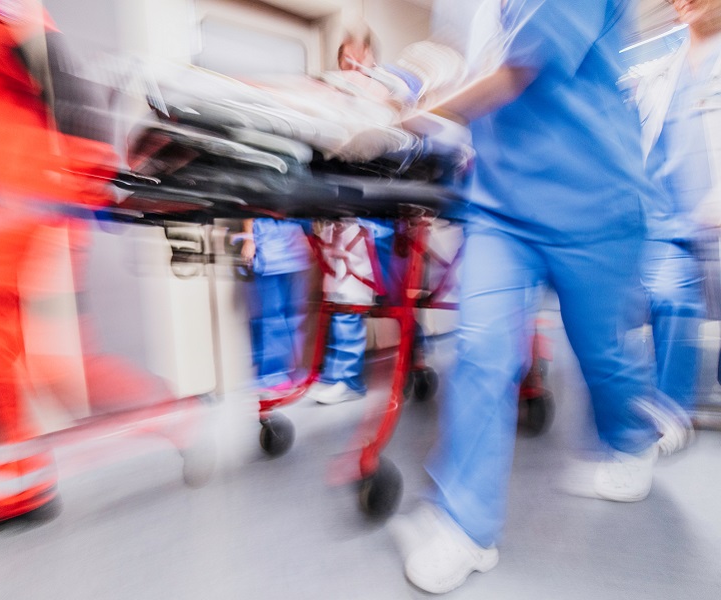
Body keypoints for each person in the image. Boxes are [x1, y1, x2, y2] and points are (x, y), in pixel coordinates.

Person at [391, 0, 662, 594]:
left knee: (601, 355)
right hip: (501, 205)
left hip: (594, 202)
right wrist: (400, 81)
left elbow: (517, 70)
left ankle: (632, 439)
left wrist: (407, 119)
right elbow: (454, 58)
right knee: (482, 347)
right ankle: (466, 526)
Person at [0, 0, 175, 532]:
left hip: (26, 203)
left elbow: (53, 60)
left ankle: (166, 414)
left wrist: (87, 168)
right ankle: (20, 483)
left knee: (58, 367)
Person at [633, 0, 721, 454]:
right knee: (670, 298)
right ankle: (670, 410)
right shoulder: (658, 69)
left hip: (714, 213)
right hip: (668, 218)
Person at [304, 31, 396, 405]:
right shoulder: (330, 98)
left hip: (379, 212)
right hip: (344, 214)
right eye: (346, 58)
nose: (353, 64)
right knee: (345, 294)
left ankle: (411, 362)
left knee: (395, 298)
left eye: (361, 56)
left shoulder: (387, 95)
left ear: (374, 59)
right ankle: (343, 375)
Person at [241, 217, 311, 397]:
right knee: (276, 318)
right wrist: (249, 239)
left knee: (283, 318)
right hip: (273, 256)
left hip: (289, 255)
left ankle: (278, 375)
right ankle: (279, 374)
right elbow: (250, 210)